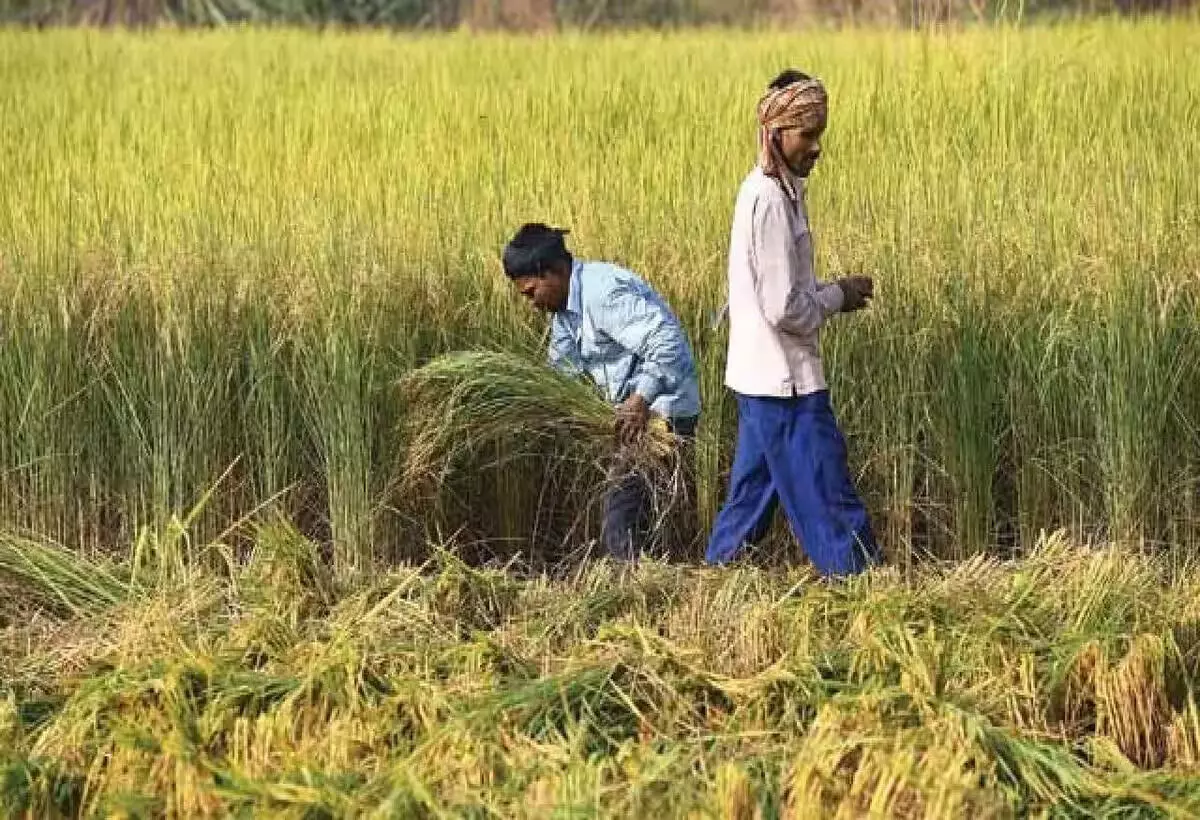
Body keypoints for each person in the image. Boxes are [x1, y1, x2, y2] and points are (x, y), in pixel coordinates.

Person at [705, 69, 880, 576]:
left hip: (764, 378)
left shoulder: (782, 189)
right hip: (785, 383)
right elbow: (784, 307)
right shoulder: (767, 201)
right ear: (776, 132)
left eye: (820, 134)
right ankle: (862, 586)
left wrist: (828, 293)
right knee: (825, 487)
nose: (816, 146)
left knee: (754, 494)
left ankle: (719, 578)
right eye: (808, 134)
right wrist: (837, 297)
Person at [503, 223, 702, 560]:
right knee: (635, 513)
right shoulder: (565, 312)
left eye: (531, 292)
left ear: (552, 272)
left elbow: (669, 342)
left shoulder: (602, 294)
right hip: (632, 419)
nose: (531, 304)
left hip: (661, 414)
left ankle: (635, 593)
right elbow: (561, 373)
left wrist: (640, 399)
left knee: (619, 515)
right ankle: (653, 582)